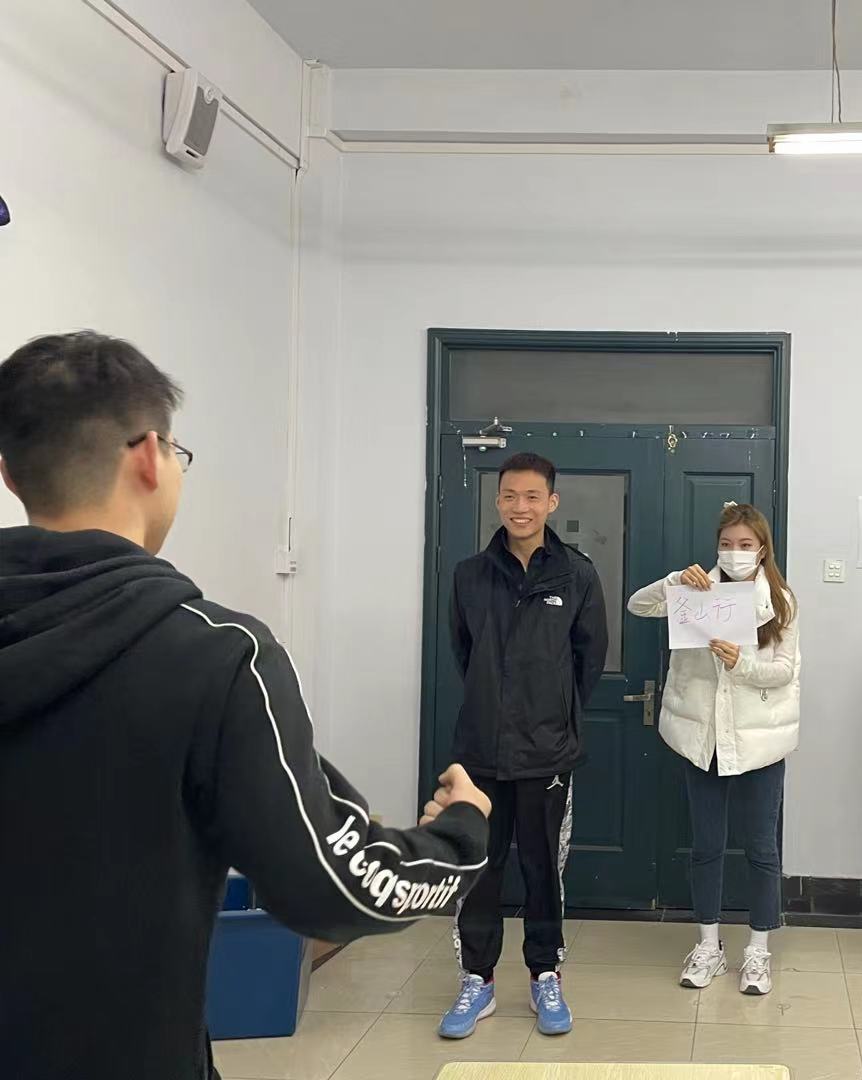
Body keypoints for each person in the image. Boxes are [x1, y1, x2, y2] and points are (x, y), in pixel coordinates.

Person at [0, 332, 493, 1080]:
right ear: (149, 457)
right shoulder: (214, 654)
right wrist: (462, 835)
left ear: (10, 474)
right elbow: (332, 884)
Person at [443, 451, 608, 1039]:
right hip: (481, 753)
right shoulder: (469, 574)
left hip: (547, 753)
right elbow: (465, 653)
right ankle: (477, 979)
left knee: (543, 869)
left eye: (533, 497)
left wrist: (551, 712)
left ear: (551, 503)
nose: (521, 507)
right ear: (498, 501)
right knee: (479, 869)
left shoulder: (577, 575)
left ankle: (545, 974)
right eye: (510, 496)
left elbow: (589, 660)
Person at [627, 502, 800, 997]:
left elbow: (784, 671)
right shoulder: (696, 590)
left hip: (758, 742)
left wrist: (741, 664)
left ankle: (758, 950)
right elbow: (637, 606)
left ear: (762, 549)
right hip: (703, 740)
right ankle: (708, 945)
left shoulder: (781, 600)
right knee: (706, 846)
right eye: (727, 544)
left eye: (745, 545)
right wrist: (672, 582)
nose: (735, 552)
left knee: (761, 848)